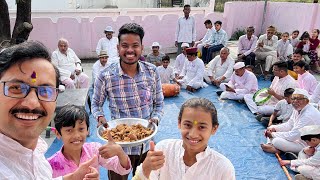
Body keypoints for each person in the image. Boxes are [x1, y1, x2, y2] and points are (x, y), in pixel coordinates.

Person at [0, 41, 98, 179]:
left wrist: (71, 178)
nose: (32, 103)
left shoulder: (36, 154)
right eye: (16, 88)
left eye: (45, 90)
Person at [91, 23, 164, 180]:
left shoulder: (152, 72)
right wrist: (100, 118)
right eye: (125, 45)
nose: (130, 50)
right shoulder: (106, 76)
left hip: (146, 143)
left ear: (141, 48)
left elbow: (159, 104)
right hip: (119, 148)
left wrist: (155, 119)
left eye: (135, 46)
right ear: (118, 48)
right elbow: (96, 104)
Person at [132, 98, 236, 180]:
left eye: (202, 127)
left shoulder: (223, 168)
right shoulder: (164, 150)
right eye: (188, 125)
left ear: (214, 129)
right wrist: (146, 168)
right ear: (179, 123)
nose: (193, 134)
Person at [48, 105, 131, 178]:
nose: (77, 135)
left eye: (81, 129)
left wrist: (120, 152)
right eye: (69, 130)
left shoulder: (94, 150)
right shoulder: (50, 165)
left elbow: (122, 169)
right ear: (58, 133)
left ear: (87, 130)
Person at [261, 88, 320, 154]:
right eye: (293, 99)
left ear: (307, 101)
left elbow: (293, 136)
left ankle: (275, 147)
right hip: (297, 137)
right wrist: (274, 129)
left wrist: (273, 134)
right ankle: (271, 145)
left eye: (299, 99)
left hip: (307, 144)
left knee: (276, 141)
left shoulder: (308, 115)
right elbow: (289, 124)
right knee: (271, 128)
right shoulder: (297, 109)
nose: (295, 101)